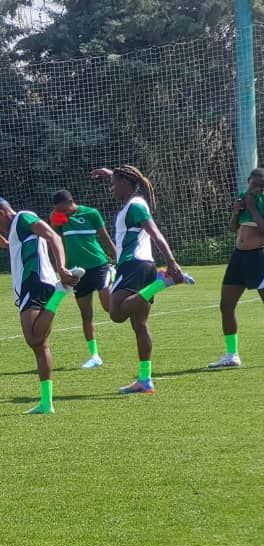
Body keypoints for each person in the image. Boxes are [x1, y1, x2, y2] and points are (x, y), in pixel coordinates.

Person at [89, 166, 193, 394]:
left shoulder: (135, 206)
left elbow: (156, 233)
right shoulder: (133, 202)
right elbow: (127, 181)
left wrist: (172, 262)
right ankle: (145, 380)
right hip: (144, 265)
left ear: (126, 184)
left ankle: (162, 282)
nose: (111, 188)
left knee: (116, 313)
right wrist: (110, 174)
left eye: (114, 184)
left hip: (133, 264)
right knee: (140, 324)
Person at [0, 198, 79, 414]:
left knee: (33, 338)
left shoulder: (23, 217)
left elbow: (52, 236)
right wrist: (6, 244)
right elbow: (28, 246)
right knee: (40, 344)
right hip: (31, 283)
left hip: (33, 281)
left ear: (1, 213)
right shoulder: (18, 230)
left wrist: (62, 267)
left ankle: (60, 293)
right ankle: (46, 403)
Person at [50, 189, 117, 369]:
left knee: (109, 307)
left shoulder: (91, 213)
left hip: (98, 265)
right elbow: (54, 239)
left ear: (68, 203)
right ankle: (95, 355)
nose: (58, 212)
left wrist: (117, 255)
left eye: (59, 208)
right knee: (86, 314)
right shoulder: (60, 218)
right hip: (76, 272)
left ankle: (111, 273)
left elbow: (104, 236)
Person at [209, 167, 264, 368]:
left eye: (261, 186)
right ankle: (232, 355)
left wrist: (251, 206)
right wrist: (235, 212)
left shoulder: (260, 201)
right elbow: (234, 228)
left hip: (259, 257)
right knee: (226, 305)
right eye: (254, 184)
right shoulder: (243, 197)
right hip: (239, 257)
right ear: (248, 181)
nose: (257, 188)